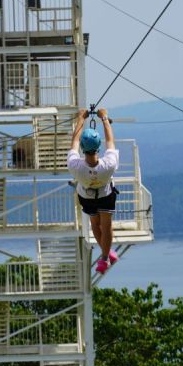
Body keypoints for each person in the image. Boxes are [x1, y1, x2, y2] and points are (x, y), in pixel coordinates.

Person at [67, 108, 119, 274]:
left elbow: (74, 141)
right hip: (105, 194)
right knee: (107, 225)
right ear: (98, 147)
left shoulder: (75, 166)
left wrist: (81, 119)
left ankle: (106, 254)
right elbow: (110, 141)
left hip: (87, 196)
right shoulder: (108, 164)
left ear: (83, 147)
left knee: (95, 225)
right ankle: (105, 258)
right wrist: (104, 119)